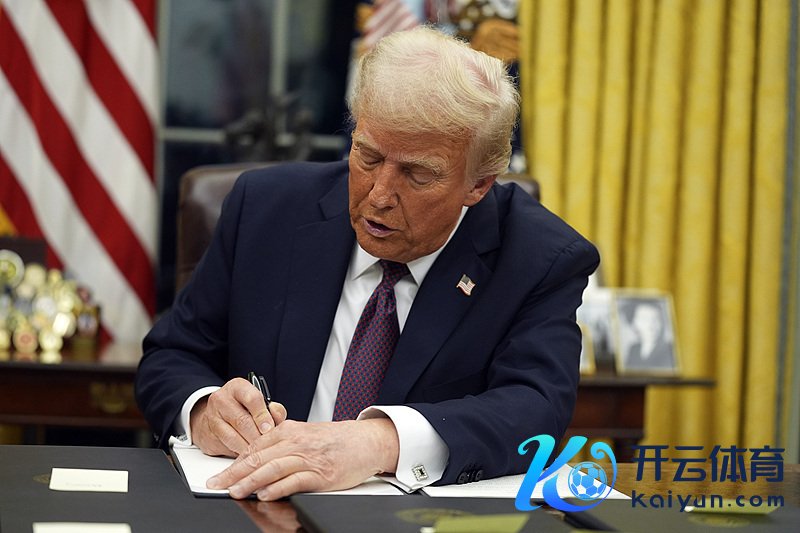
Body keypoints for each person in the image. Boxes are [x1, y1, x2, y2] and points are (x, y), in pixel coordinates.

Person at [135, 26, 599, 501]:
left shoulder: (539, 258)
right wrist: (203, 410)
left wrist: (380, 442)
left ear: (478, 184)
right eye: (368, 156)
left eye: (417, 175)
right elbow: (172, 355)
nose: (379, 196)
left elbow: (535, 410)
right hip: (254, 506)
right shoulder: (265, 209)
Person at [619, 300, 675, 371]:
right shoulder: (633, 350)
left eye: (656, 319)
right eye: (645, 319)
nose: (651, 326)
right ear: (634, 324)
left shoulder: (670, 351)